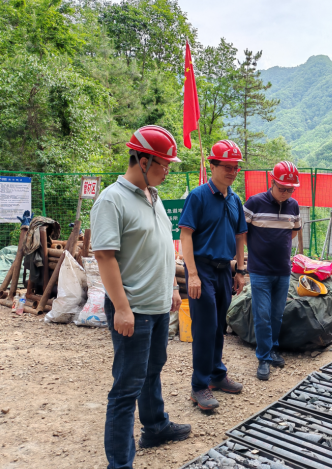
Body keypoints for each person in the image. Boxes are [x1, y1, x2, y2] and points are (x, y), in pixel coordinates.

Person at [91, 125, 191, 469]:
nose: (168, 170)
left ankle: (155, 427)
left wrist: (172, 288)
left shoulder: (154, 196)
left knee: (152, 370)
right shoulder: (112, 200)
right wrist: (121, 308)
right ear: (143, 160)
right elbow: (104, 256)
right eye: (164, 164)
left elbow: (163, 246)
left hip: (158, 305)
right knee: (126, 388)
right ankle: (120, 463)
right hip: (133, 308)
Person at [178, 139, 248, 411]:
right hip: (202, 269)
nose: (232, 172)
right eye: (227, 166)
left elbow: (240, 237)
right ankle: (199, 386)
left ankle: (217, 375)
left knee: (219, 326)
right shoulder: (198, 196)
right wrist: (192, 274)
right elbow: (186, 235)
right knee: (205, 328)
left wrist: (239, 270)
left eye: (236, 167)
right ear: (213, 166)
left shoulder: (235, 199)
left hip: (224, 270)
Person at [243, 161, 302, 380]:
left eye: (290, 189)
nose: (286, 193)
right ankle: (264, 358)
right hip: (259, 270)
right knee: (262, 315)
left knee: (277, 314)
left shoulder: (293, 206)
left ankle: (273, 348)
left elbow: (293, 232)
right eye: (282, 188)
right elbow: (242, 232)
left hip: (283, 270)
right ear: (272, 181)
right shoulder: (254, 203)